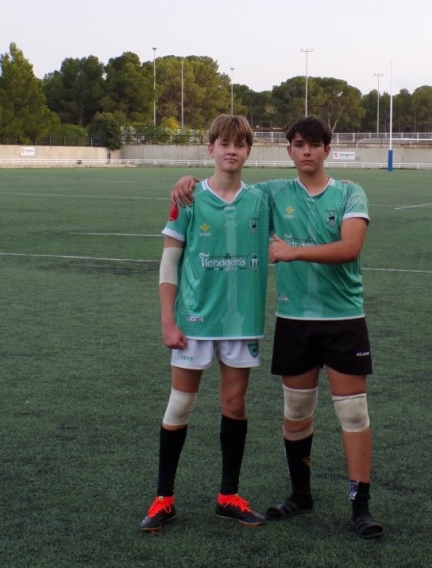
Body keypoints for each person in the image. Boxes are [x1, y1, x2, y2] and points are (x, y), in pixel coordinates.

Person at [171, 117, 384, 539]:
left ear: (328, 149)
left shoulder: (349, 192)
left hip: (343, 320)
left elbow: (350, 247)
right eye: (299, 145)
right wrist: (188, 181)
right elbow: (229, 184)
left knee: (353, 412)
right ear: (289, 151)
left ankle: (360, 506)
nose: (306, 151)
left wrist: (292, 252)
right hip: (294, 322)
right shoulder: (271, 194)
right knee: (296, 413)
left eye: (314, 145)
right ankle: (300, 494)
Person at [140, 114, 270, 533]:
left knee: (234, 406)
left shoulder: (261, 200)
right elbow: (169, 262)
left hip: (241, 322)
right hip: (193, 320)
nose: (232, 150)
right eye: (223, 143)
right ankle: (163, 499)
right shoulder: (190, 197)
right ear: (210, 148)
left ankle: (228, 496)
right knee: (180, 404)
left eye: (240, 144)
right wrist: (167, 320)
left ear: (249, 151)